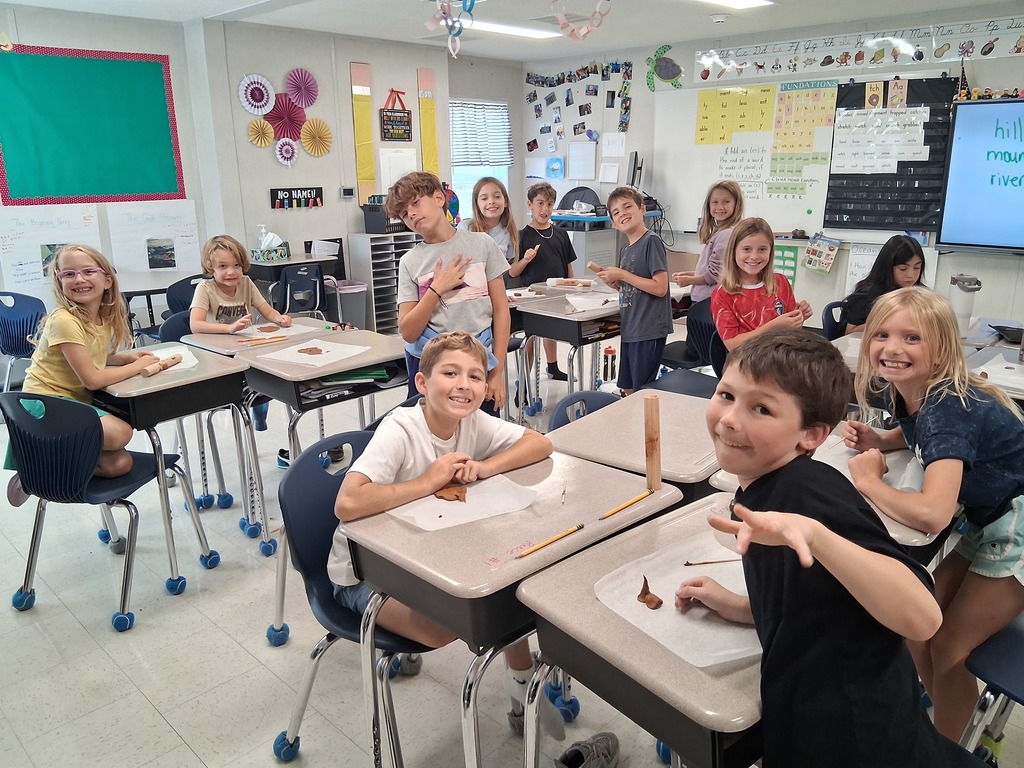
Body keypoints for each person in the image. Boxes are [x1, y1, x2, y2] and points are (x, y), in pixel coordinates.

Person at [676, 329, 982, 768]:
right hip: (814, 721)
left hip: (855, 741)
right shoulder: (764, 488)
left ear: (812, 435)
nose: (729, 420)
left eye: (761, 408)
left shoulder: (806, 494)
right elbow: (812, 600)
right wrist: (740, 606)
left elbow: (922, 616)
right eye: (726, 395)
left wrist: (817, 536)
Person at [330, 331, 558, 734]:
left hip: (424, 557)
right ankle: (522, 681)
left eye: (475, 376)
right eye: (450, 373)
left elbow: (539, 443)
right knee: (446, 627)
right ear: (422, 382)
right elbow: (347, 503)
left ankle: (522, 684)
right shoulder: (401, 429)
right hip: (364, 575)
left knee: (505, 587)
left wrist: (485, 467)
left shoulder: (472, 421)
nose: (463, 385)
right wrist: (428, 482)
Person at [843, 287, 1024, 744]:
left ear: (941, 351)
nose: (893, 348)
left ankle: (945, 748)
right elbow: (919, 431)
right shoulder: (908, 392)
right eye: (882, 334)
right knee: (916, 621)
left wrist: (870, 483)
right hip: (991, 519)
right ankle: (943, 708)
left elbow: (933, 514)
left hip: (1017, 525)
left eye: (912, 338)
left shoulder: (948, 407)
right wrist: (882, 440)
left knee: (948, 650)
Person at [6, 244, 161, 507]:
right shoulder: (64, 320)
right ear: (59, 281)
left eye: (88, 271)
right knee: (120, 434)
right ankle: (34, 466)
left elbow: (89, 354)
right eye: (69, 274)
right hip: (43, 405)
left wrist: (123, 358)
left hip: (71, 403)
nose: (79, 279)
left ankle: (44, 463)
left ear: (107, 280)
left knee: (120, 464)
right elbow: (93, 379)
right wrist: (138, 367)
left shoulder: (100, 316)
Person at [387, 171, 511, 412]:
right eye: (403, 213)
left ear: (439, 198)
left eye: (415, 203)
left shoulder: (482, 244)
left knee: (481, 430)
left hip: (478, 359)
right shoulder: (410, 261)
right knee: (431, 432)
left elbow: (501, 310)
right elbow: (408, 331)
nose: (411, 214)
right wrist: (436, 289)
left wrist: (497, 372)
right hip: (430, 364)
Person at [189, 234, 292, 431]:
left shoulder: (245, 282)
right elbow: (196, 325)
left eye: (236, 265)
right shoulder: (205, 288)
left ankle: (259, 413)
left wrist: (279, 318)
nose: (231, 272)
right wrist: (229, 328)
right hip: (217, 354)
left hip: (246, 348)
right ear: (210, 268)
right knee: (246, 383)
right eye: (222, 266)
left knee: (267, 376)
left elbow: (266, 309)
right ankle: (245, 407)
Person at [596, 187, 672, 394]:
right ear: (613, 223)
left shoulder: (651, 241)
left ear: (642, 209)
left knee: (642, 391)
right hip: (631, 328)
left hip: (648, 329)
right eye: (616, 212)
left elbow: (660, 287)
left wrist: (622, 275)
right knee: (628, 387)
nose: (623, 214)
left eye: (627, 207)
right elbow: (634, 287)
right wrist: (617, 284)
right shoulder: (626, 249)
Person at [711, 217, 812, 350]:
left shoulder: (780, 282)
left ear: (770, 251)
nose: (754, 256)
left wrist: (799, 317)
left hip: (781, 354)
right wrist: (773, 327)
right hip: (748, 359)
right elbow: (732, 345)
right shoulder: (723, 294)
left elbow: (791, 330)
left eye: (762, 249)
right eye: (746, 249)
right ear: (733, 251)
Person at [512, 181, 576, 381]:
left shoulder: (561, 234)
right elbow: (513, 272)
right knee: (531, 337)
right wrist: (526, 259)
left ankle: (553, 367)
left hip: (557, 294)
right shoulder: (521, 236)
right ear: (530, 204)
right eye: (540, 203)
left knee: (551, 332)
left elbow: (568, 265)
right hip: (532, 297)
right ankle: (524, 381)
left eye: (549, 204)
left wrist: (572, 288)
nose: (545, 209)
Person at [672, 180, 744, 326]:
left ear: (736, 205)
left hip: (709, 301)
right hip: (708, 300)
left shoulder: (726, 234)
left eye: (726, 202)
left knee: (700, 339)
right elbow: (718, 270)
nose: (720, 207)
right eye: (715, 202)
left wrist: (688, 281)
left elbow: (714, 276)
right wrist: (692, 274)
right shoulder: (720, 232)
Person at [840, 235, 926, 334]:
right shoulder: (867, 295)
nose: (911, 275)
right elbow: (850, 332)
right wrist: (886, 322)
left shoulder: (920, 292)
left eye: (917, 268)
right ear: (888, 267)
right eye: (903, 269)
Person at [459, 176, 519, 266]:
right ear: (477, 204)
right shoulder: (465, 227)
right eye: (484, 198)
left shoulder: (508, 232)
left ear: (505, 202)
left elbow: (508, 267)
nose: (491, 201)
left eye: (497, 197)